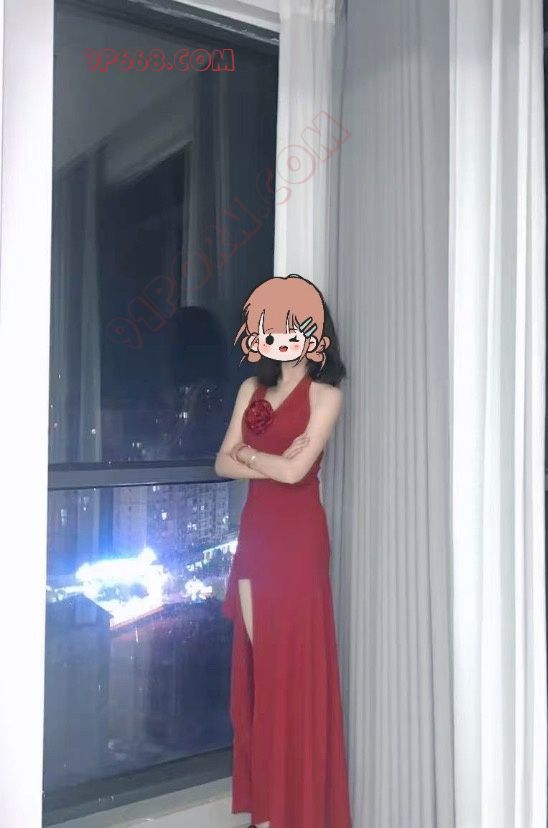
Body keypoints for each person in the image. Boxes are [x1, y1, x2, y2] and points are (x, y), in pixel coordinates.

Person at [214, 273, 352, 828]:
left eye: (293, 329)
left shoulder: (327, 395)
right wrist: (263, 460)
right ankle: (270, 810)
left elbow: (297, 474)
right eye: (270, 330)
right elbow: (221, 462)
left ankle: (295, 811)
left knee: (295, 672)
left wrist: (250, 456)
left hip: (299, 542)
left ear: (314, 333)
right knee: (264, 670)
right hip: (258, 538)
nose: (281, 340)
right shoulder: (252, 389)